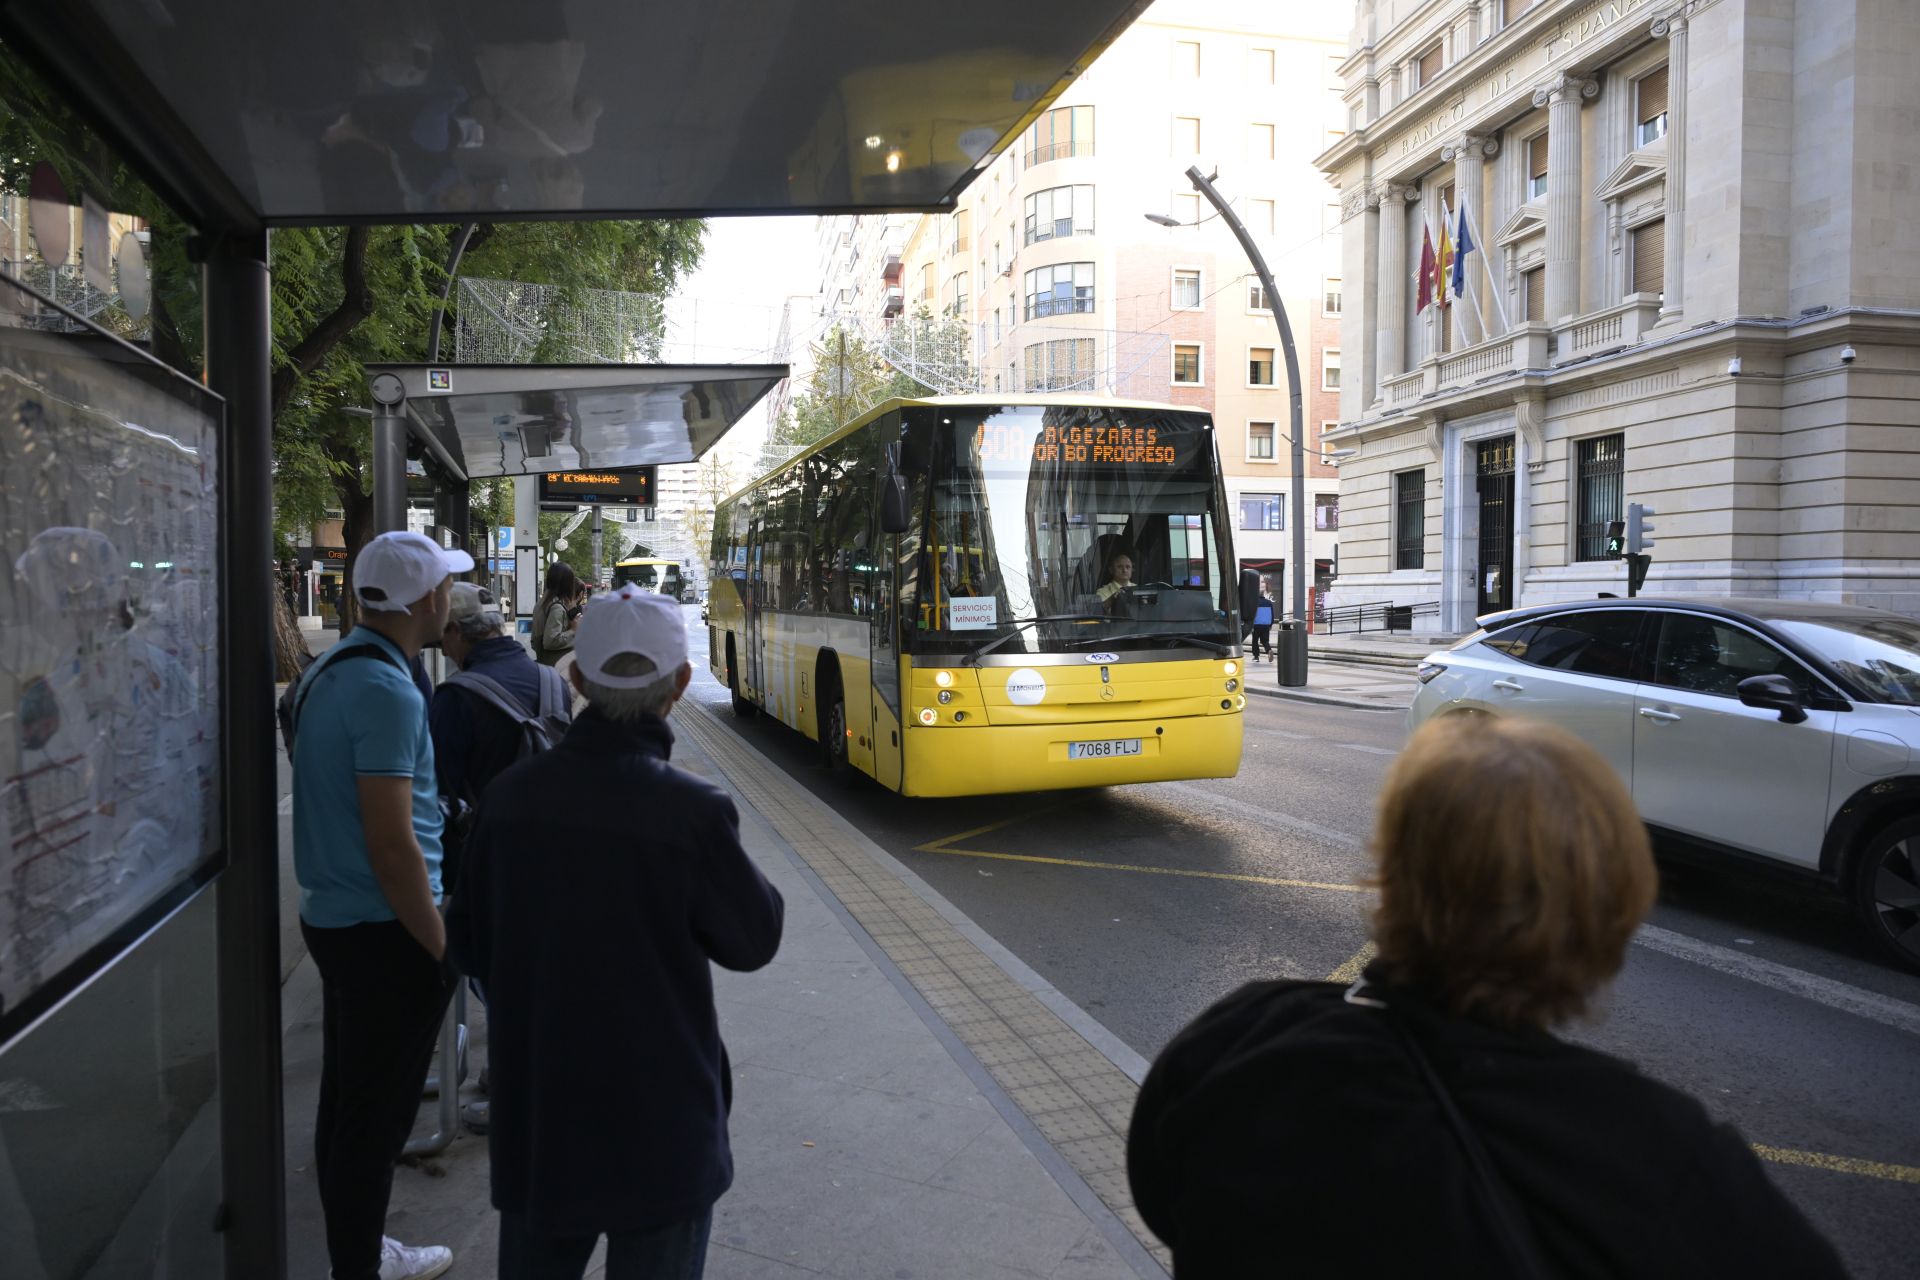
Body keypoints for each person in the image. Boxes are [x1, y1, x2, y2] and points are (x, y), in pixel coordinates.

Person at [1127, 715, 1847, 1279]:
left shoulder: (1240, 1040)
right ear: (1610, 912)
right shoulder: (1663, 1158)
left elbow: (1162, 1202)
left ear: (1394, 881)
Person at [453, 585, 785, 1280]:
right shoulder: (692, 811)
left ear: (574, 678)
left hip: (541, 1122)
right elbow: (754, 940)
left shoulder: (508, 799)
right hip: (663, 1130)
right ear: (682, 683)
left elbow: (469, 948)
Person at [291, 530, 472, 1280]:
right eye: (445, 588)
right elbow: (393, 845)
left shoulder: (332, 667)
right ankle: (359, 1267)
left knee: (347, 1104)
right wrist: (441, 946)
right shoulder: (389, 691)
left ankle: (357, 1251)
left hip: (339, 919)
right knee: (376, 1121)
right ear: (425, 600)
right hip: (386, 931)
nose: (451, 601)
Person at [532, 561, 579, 667]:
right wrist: (573, 630)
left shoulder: (542, 603)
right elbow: (551, 641)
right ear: (567, 584)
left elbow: (534, 641)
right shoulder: (556, 607)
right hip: (556, 666)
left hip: (545, 662)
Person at [1249, 590, 1274, 662]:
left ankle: (1256, 657)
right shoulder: (1269, 603)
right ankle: (1269, 650)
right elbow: (1272, 614)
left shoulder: (1254, 603)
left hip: (1256, 625)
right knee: (1265, 640)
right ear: (1263, 595)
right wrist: (1271, 624)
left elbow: (1252, 615)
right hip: (1266, 625)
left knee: (1255, 641)